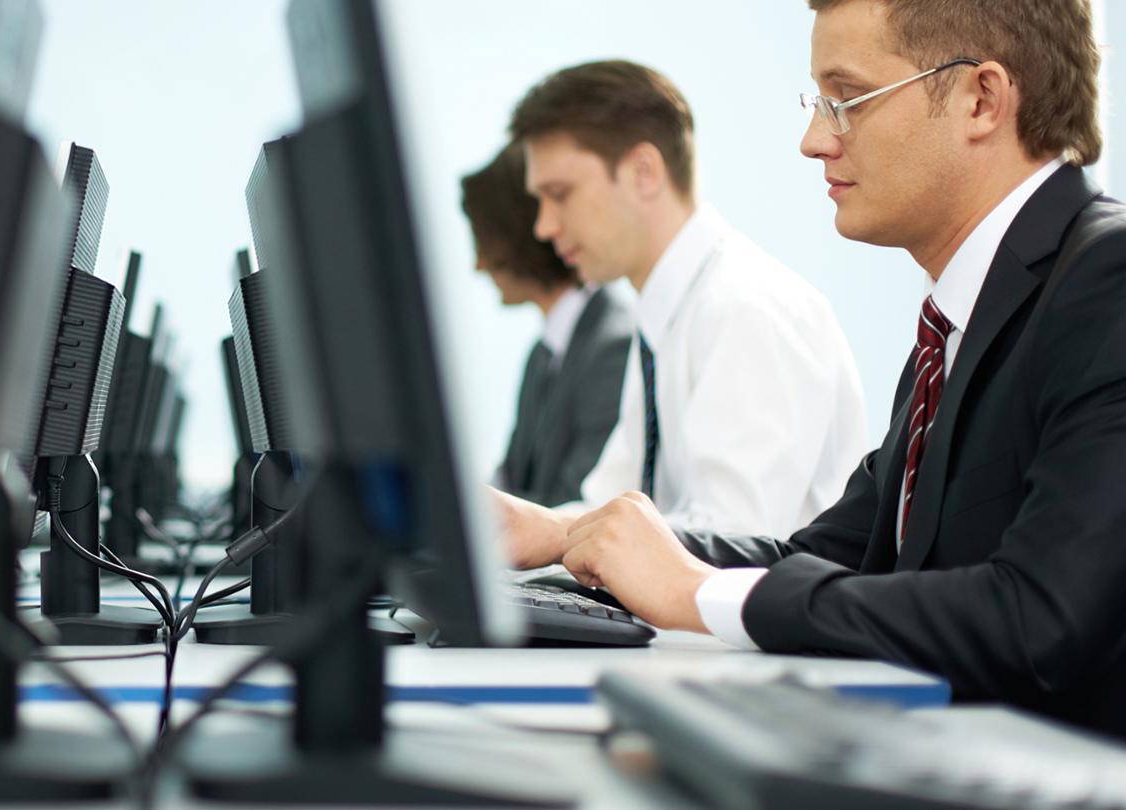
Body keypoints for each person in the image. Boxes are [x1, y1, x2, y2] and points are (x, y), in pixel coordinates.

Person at [519, 0, 1126, 738]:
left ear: (981, 99)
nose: (814, 141)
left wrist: (699, 592)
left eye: (845, 101)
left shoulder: (1107, 279)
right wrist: (579, 539)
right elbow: (824, 557)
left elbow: (1041, 617)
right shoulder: (962, 321)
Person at [495, 59, 869, 544]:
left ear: (643, 172)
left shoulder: (746, 308)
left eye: (559, 194)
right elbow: (607, 504)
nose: (544, 226)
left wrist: (552, 533)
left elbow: (731, 547)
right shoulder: (663, 321)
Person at [461, 144, 632, 507]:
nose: (478, 264)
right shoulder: (543, 354)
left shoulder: (613, 346)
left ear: (517, 234)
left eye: (482, 238)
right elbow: (511, 481)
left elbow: (577, 508)